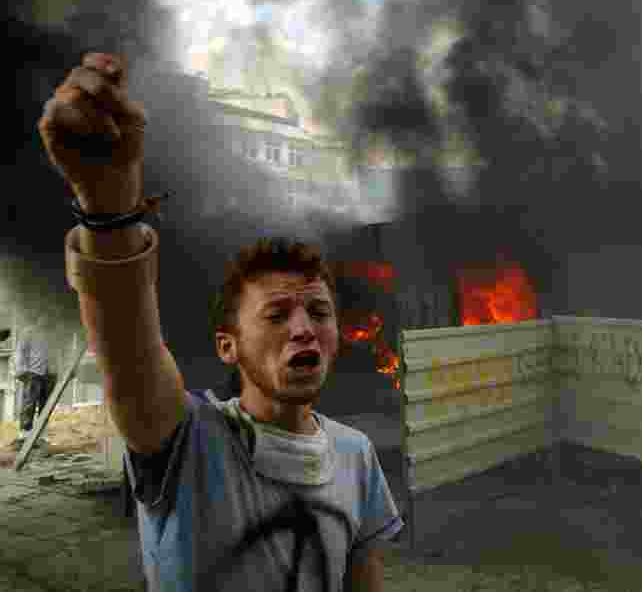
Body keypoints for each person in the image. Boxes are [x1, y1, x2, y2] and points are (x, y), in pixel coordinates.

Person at [38, 52, 402, 591]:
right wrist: (109, 207)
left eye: (319, 312)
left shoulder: (357, 455)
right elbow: (128, 346)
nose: (305, 327)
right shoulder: (187, 443)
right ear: (227, 346)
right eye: (277, 314)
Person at [11, 313, 56, 449]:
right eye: (43, 316)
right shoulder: (28, 332)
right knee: (29, 404)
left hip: (49, 374)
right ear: (38, 317)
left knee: (46, 406)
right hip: (33, 373)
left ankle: (42, 434)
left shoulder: (52, 333)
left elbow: (58, 351)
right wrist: (22, 370)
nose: (46, 319)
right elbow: (20, 352)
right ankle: (24, 434)